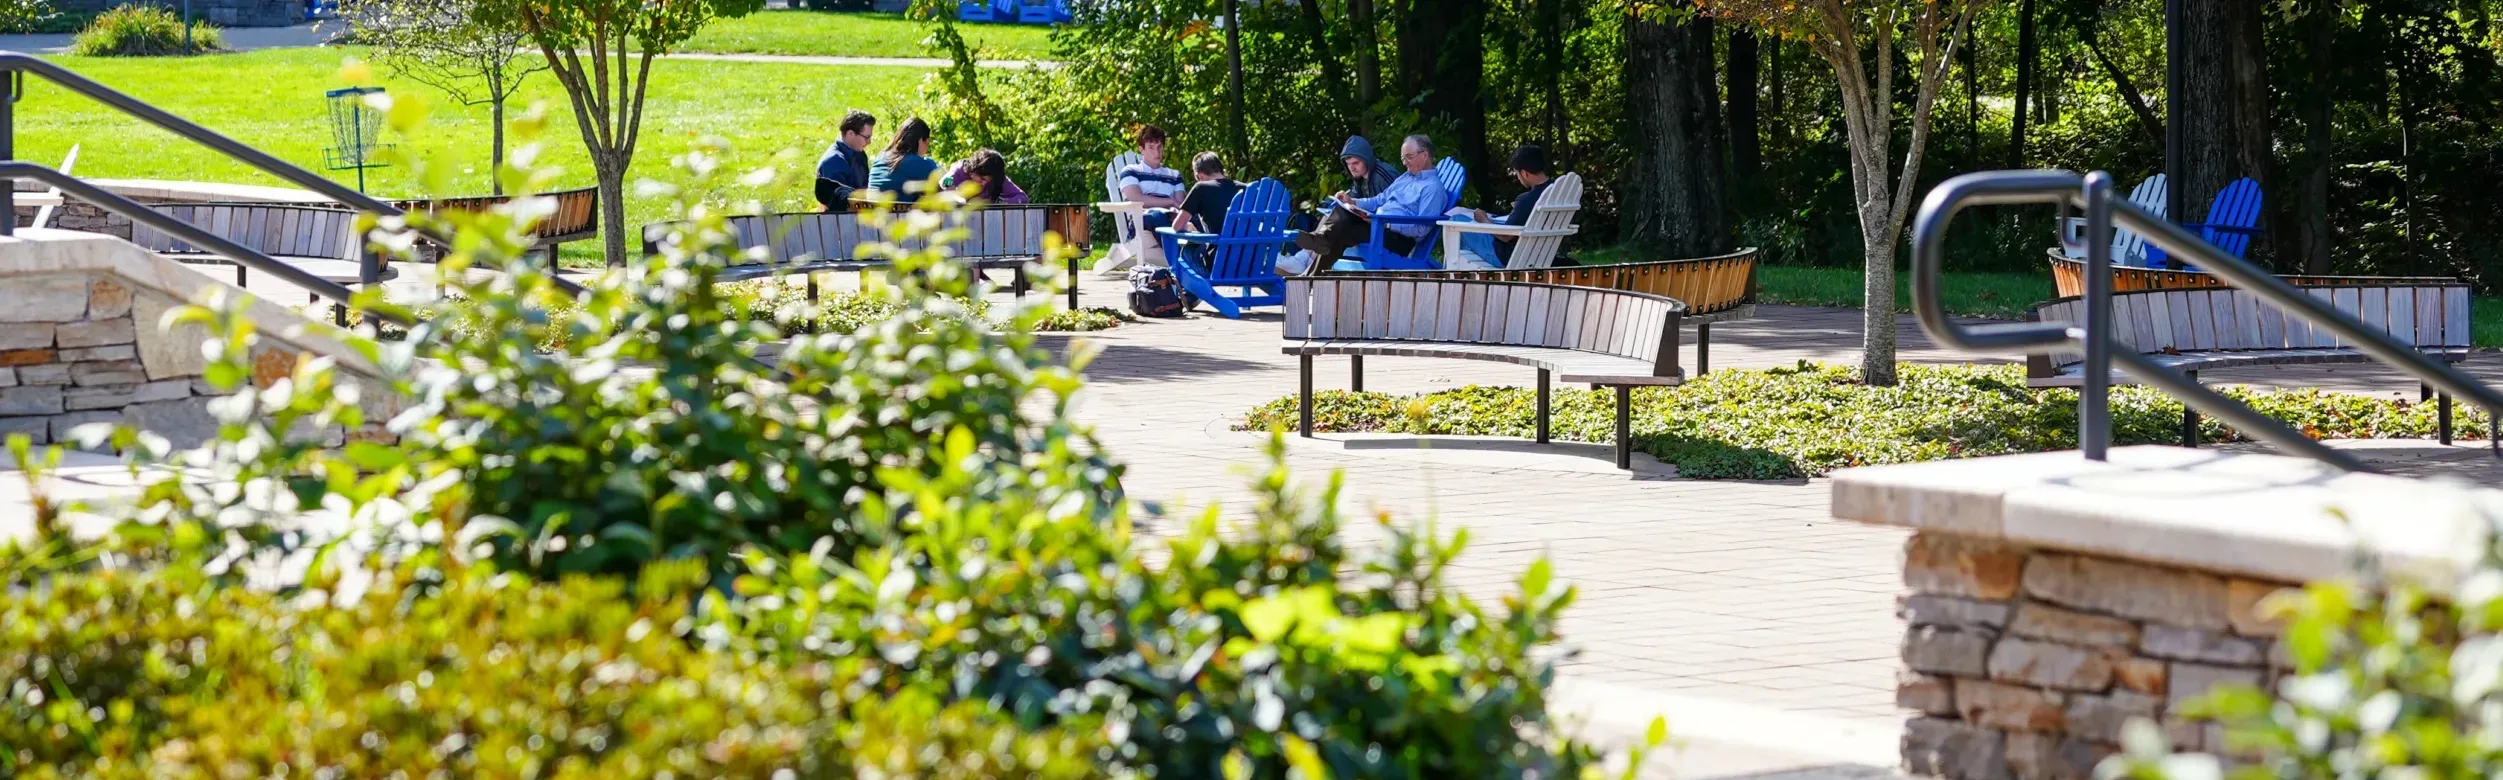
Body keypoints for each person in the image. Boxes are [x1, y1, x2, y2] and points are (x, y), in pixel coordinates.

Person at [1275, 134, 1444, 275]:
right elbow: (1379, 200)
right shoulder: (1406, 178)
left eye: (1409, 157)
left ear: (1424, 155)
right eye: (1403, 158)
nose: (1404, 162)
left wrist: (1385, 222)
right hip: (1379, 226)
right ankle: (1311, 273)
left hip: (1396, 238)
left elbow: (1422, 229)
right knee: (1342, 221)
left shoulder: (1433, 188)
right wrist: (1353, 202)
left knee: (1341, 230)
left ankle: (1317, 248)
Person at [1447, 144, 1557, 269]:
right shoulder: (1559, 193)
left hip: (1509, 256)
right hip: (1543, 255)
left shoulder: (1526, 200)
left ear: (1524, 173)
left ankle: (1457, 271)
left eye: (1517, 173)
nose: (1518, 178)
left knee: (1456, 220)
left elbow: (1506, 236)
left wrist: (1484, 220)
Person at [1117, 124, 1187, 236]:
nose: (1157, 152)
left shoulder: (1174, 175)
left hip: (1171, 218)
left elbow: (1180, 205)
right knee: (1157, 216)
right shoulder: (1131, 171)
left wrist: (1177, 210)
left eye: (1160, 147)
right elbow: (1137, 199)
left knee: (1197, 217)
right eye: (1151, 147)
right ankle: (1177, 247)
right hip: (1142, 221)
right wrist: (1170, 201)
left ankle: (1208, 247)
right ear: (1141, 149)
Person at [813, 110, 876, 211]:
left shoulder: (858, 153)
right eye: (867, 137)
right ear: (850, 133)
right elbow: (839, 202)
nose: (869, 142)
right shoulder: (833, 161)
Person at [866, 117, 939, 196]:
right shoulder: (919, 164)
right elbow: (940, 193)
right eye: (927, 143)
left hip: (872, 203)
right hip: (900, 204)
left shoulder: (880, 157)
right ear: (920, 141)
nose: (927, 149)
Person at [1174, 152, 1242, 235]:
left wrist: (1189, 226)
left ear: (1200, 176)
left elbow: (1177, 226)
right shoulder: (1246, 188)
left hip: (1217, 242)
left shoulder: (1201, 187)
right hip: (1250, 243)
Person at [939, 148, 1030, 204]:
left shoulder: (997, 178)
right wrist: (957, 197)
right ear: (973, 171)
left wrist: (1002, 203)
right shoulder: (959, 169)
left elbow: (1022, 198)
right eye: (982, 178)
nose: (984, 184)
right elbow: (944, 181)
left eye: (988, 181)